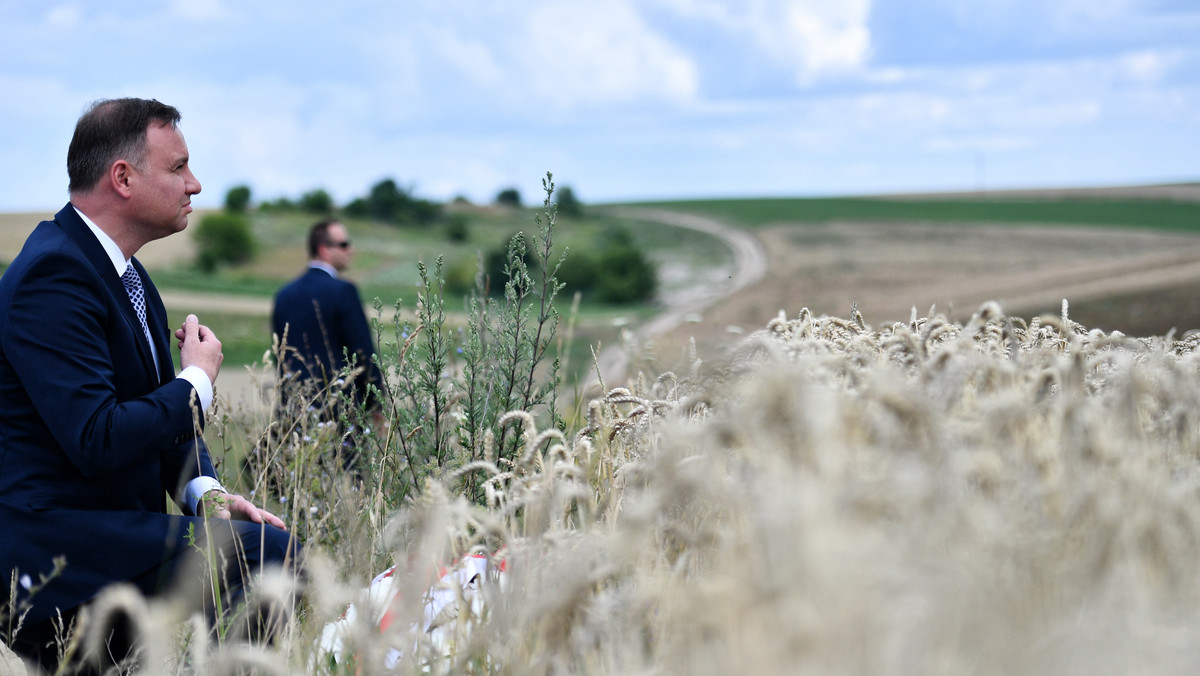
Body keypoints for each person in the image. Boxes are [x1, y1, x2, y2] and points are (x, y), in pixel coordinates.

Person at [0, 98, 299, 671]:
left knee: (259, 548)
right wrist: (197, 381)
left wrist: (207, 496)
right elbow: (97, 436)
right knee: (266, 557)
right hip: (52, 557)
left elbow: (160, 430)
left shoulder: (127, 274)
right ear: (123, 178)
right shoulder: (53, 276)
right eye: (178, 167)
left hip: (110, 539)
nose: (196, 184)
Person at [271, 219, 383, 418]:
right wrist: (376, 403)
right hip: (339, 409)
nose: (351, 249)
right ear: (324, 250)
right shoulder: (343, 291)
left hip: (294, 407)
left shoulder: (284, 294)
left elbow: (278, 355)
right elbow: (362, 353)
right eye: (344, 244)